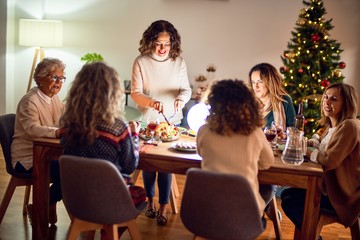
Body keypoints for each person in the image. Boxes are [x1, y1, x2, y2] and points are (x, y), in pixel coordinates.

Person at [60, 61, 145, 240]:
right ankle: (110, 233)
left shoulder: (67, 126)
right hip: (112, 201)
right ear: (112, 93)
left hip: (78, 200)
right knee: (140, 194)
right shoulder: (117, 128)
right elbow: (130, 166)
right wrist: (135, 136)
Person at [131, 19, 192, 225]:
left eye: (167, 43)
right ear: (150, 41)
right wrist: (150, 102)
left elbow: (186, 90)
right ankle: (150, 202)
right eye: (158, 43)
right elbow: (136, 93)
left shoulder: (178, 62)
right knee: (149, 164)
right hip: (148, 121)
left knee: (166, 164)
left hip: (171, 122)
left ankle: (164, 206)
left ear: (173, 43)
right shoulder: (141, 61)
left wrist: (180, 99)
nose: (163, 48)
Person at [281, 83, 360, 233]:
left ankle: (311, 235)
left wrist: (307, 150)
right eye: (326, 97)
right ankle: (310, 234)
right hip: (329, 188)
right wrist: (308, 143)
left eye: (334, 99)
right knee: (287, 195)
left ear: (347, 103)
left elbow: (330, 160)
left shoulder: (350, 126)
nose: (327, 102)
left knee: (291, 201)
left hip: (343, 196)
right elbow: (322, 147)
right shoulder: (334, 126)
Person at [197, 79, 274, 223]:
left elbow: (201, 154)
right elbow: (267, 163)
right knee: (268, 188)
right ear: (248, 105)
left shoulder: (204, 131)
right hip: (245, 216)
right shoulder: (255, 133)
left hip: (207, 213)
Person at [11, 57, 66, 225]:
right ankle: (41, 206)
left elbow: (64, 122)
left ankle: (41, 206)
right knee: (71, 172)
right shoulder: (30, 100)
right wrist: (57, 132)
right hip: (27, 158)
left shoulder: (54, 98)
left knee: (76, 167)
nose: (58, 82)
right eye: (54, 77)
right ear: (40, 78)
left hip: (46, 154)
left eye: (61, 78)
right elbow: (32, 129)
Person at [248, 62, 296, 220]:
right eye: (253, 82)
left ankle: (256, 211)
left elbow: (293, 133)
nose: (256, 87)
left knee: (267, 179)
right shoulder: (250, 103)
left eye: (260, 82)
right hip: (251, 154)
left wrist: (284, 136)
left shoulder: (284, 102)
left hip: (274, 156)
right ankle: (260, 209)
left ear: (269, 81)